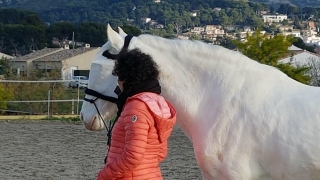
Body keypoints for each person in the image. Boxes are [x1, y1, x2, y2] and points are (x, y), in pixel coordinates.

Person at [97, 48, 177, 180]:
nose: (118, 82)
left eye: (119, 77)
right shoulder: (157, 103)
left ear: (126, 78)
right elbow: (161, 152)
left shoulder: (136, 107)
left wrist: (105, 175)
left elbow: (133, 155)